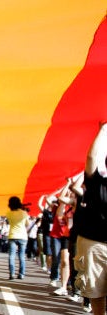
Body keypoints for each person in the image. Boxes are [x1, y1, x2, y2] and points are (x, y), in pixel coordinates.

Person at [75, 122, 107, 315]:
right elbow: (91, 157)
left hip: (93, 244)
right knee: (96, 294)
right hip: (94, 245)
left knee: (97, 294)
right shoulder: (97, 184)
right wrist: (103, 129)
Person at [6, 196, 29, 280]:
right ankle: (21, 274)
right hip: (23, 236)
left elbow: (9, 221)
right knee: (21, 256)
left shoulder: (8, 213)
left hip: (12, 235)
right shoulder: (24, 213)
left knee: (12, 255)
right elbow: (27, 224)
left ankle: (12, 274)